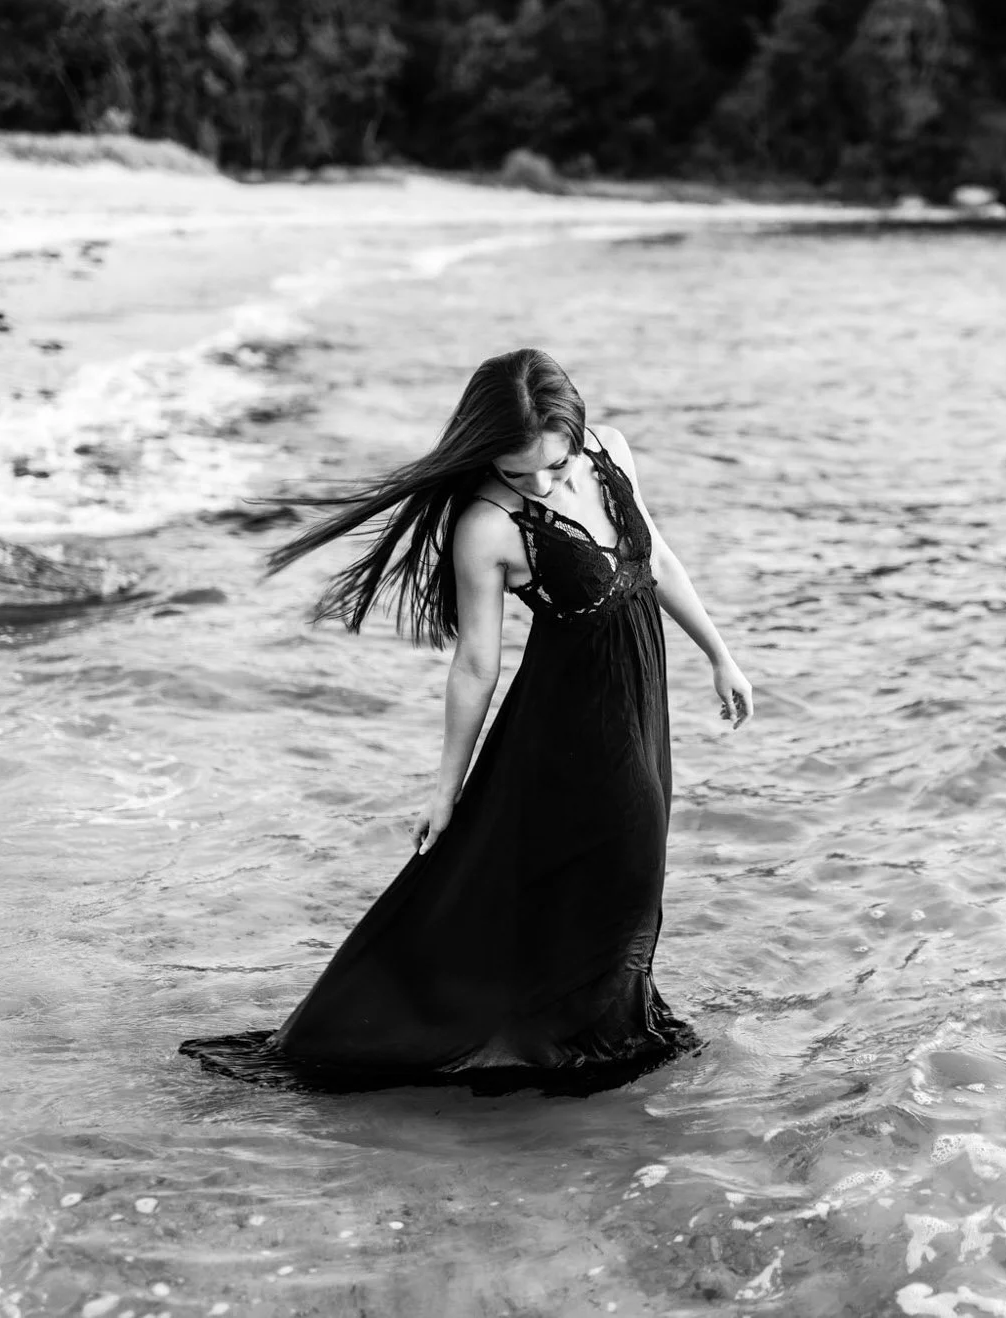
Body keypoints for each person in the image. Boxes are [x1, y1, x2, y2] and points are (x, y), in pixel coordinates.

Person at [179, 349, 752, 1095]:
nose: (539, 484)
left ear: (578, 432)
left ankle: (581, 1024)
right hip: (570, 727)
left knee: (613, 875)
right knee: (627, 867)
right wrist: (445, 788)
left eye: (554, 464)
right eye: (517, 472)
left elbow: (661, 560)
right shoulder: (487, 526)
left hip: (642, 704)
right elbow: (477, 664)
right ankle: (581, 1041)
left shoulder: (612, 451)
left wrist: (720, 655)